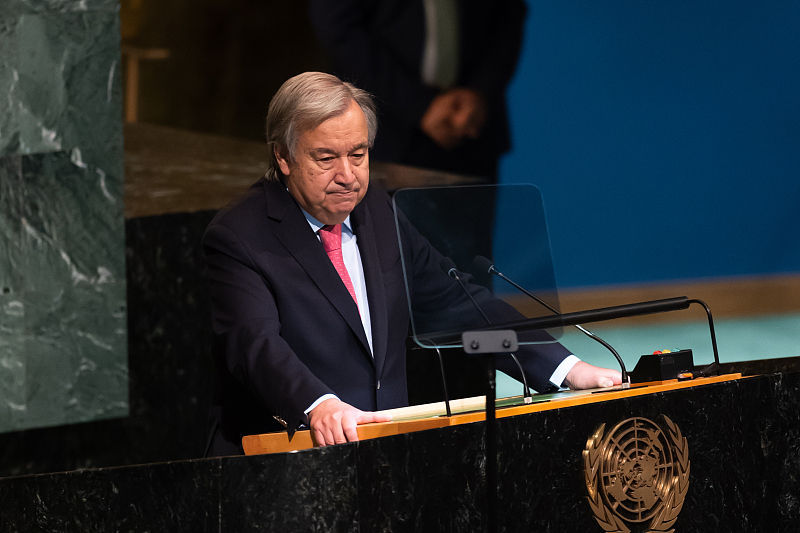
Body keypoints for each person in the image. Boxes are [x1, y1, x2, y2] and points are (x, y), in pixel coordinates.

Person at [203, 72, 621, 455]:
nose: (348, 175)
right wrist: (318, 404)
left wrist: (567, 368)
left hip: (386, 457)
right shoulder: (240, 236)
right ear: (284, 158)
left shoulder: (378, 213)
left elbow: (460, 308)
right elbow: (255, 346)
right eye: (326, 158)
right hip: (284, 464)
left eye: (358, 154)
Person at [308, 0, 526, 179]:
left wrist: (481, 91)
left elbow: (509, 17)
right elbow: (338, 26)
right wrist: (420, 106)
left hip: (471, 132)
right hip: (378, 133)